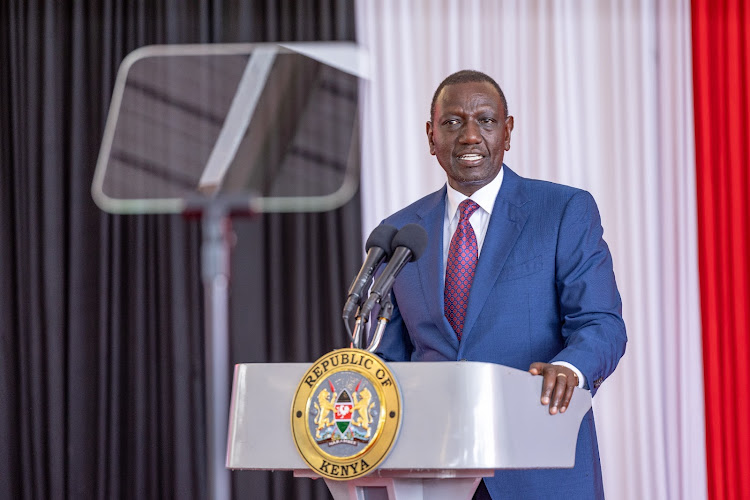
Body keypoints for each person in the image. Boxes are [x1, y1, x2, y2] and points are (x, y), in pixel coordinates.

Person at [373, 70, 627, 499]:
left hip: (538, 466)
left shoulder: (563, 211)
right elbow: (388, 356)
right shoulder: (399, 233)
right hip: (431, 471)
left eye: (486, 121)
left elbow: (601, 323)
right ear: (431, 136)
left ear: (507, 132)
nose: (470, 136)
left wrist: (570, 369)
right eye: (452, 122)